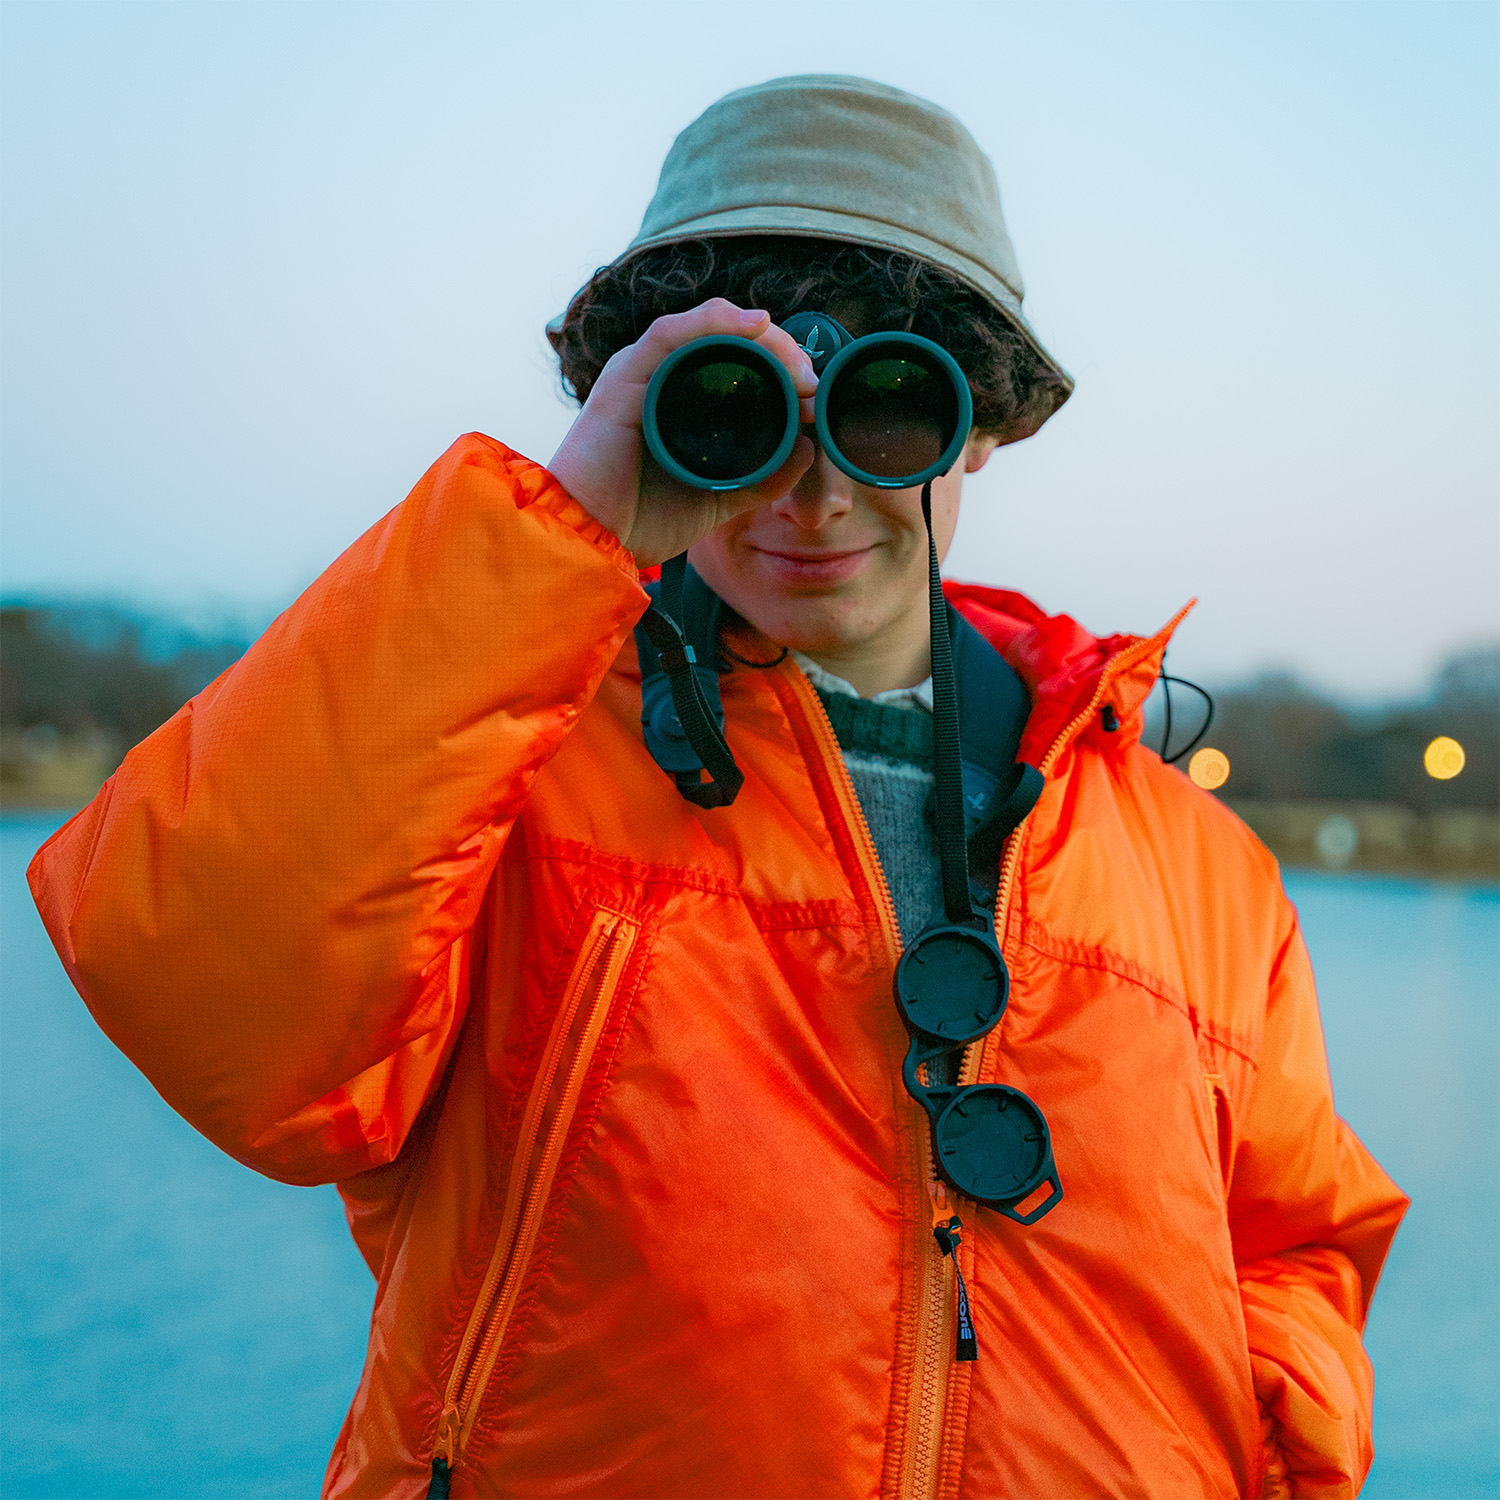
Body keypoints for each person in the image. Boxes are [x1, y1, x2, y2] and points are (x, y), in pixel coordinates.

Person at [29, 75, 1406, 1500]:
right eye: (750, 416)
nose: (813, 496)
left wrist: (1244, 1450)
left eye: (885, 406)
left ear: (980, 424)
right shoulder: (497, 769)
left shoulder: (1195, 862)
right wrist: (573, 521)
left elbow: (1299, 1245)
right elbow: (213, 1003)